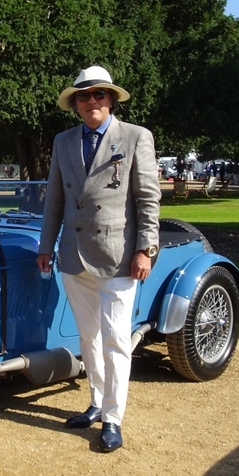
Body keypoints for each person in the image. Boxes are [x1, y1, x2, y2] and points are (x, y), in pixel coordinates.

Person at [36, 65, 161, 453]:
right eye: (84, 96)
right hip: (73, 256)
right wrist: (46, 246)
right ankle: (95, 402)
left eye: (99, 95)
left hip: (118, 256)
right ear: (75, 104)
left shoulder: (136, 137)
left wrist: (146, 249)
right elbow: (54, 199)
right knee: (88, 337)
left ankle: (113, 418)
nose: (92, 101)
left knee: (116, 340)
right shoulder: (63, 141)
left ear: (110, 99)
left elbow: (147, 198)